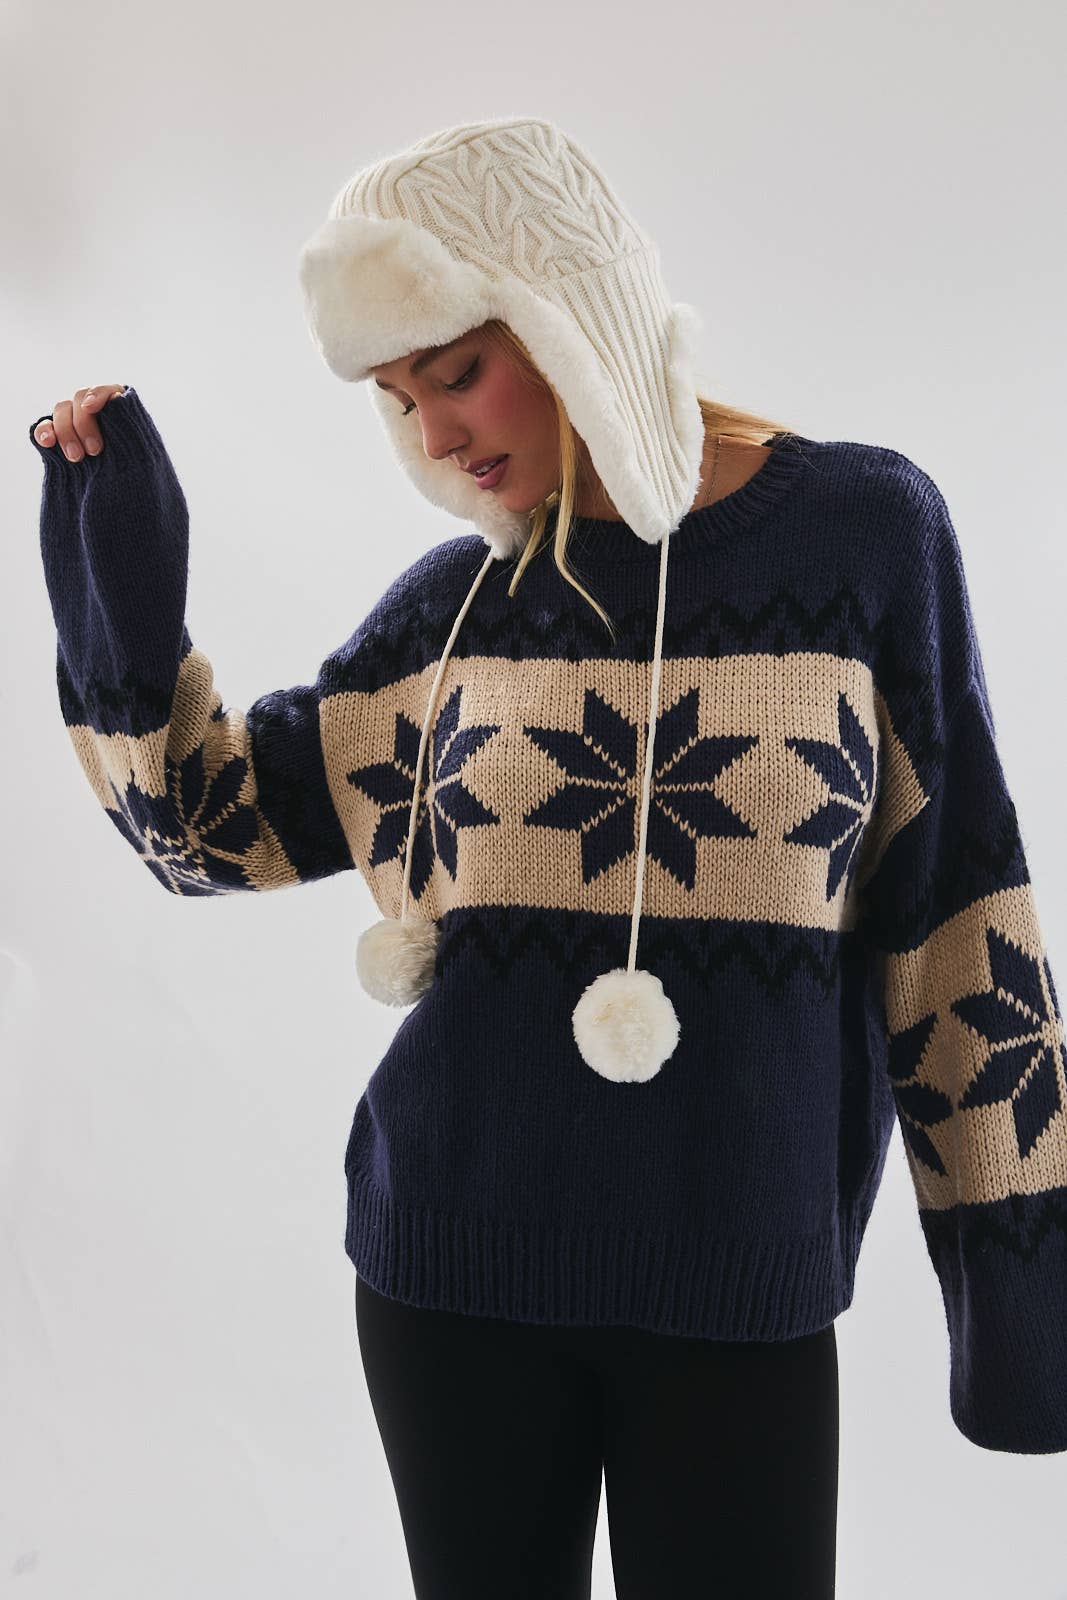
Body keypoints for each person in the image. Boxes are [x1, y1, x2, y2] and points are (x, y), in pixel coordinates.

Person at [29, 116, 1067, 1599]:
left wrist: (1021, 1298)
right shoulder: (454, 612)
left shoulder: (862, 542)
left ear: (570, 309)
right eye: (399, 400)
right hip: (449, 1277)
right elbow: (207, 831)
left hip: (739, 1286)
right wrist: (114, 572)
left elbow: (958, 914)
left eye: (456, 370)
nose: (436, 438)